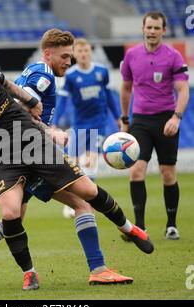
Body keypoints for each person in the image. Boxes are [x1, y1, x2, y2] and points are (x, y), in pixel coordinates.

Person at [0, 34, 153, 292]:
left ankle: (128, 231)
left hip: (34, 146)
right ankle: (30, 272)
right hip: (4, 158)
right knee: (12, 214)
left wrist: (31, 102)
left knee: (85, 195)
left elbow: (7, 85)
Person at [120, 11, 189, 240]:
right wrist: (125, 118)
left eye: (156, 28)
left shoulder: (174, 56)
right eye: (148, 27)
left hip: (166, 120)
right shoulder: (131, 55)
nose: (152, 31)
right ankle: (140, 228)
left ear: (163, 30)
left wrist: (176, 117)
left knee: (167, 173)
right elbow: (126, 88)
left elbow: (183, 90)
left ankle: (171, 225)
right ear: (143, 29)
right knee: (136, 170)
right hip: (140, 121)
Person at [52, 38, 120, 218]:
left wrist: (118, 116)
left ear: (90, 52)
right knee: (73, 165)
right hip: (79, 126)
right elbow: (63, 100)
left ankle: (85, 203)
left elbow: (110, 96)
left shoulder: (101, 72)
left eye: (86, 51)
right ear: (75, 54)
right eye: (80, 51)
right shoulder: (71, 75)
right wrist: (55, 122)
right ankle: (72, 202)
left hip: (99, 124)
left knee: (90, 162)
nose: (83, 54)